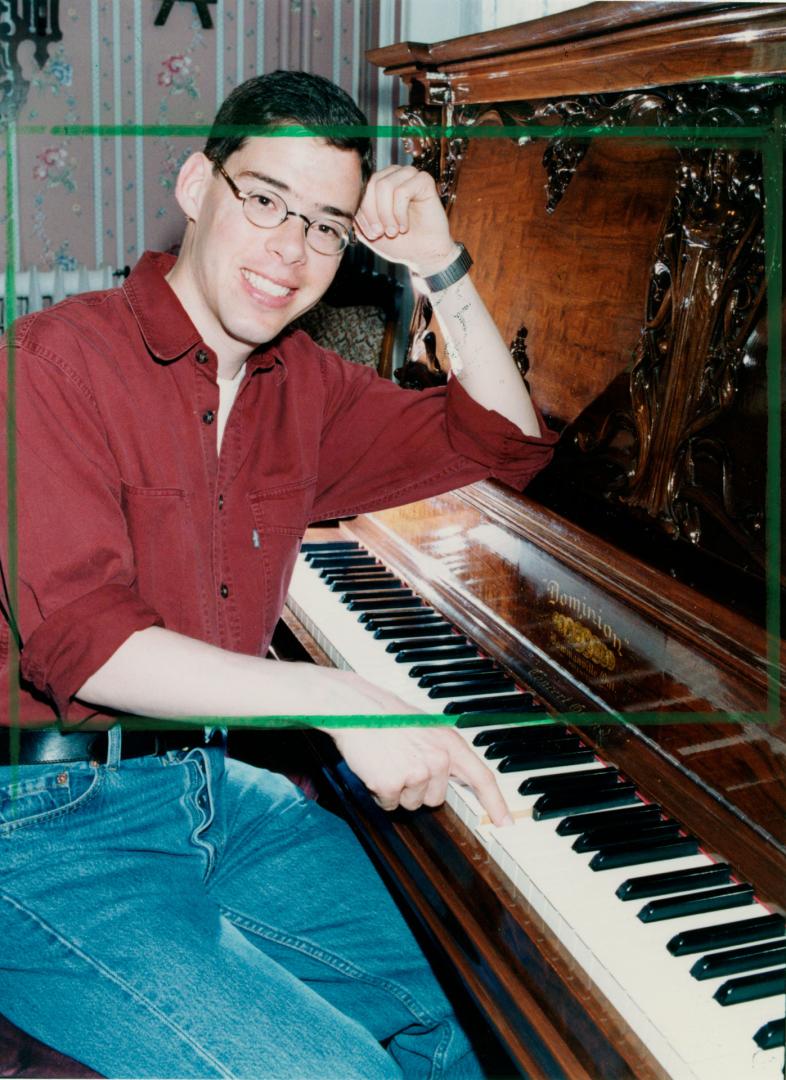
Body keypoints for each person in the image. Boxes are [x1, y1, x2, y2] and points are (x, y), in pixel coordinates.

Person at [0, 71, 557, 1078]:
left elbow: (507, 444)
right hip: (37, 827)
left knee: (493, 1011)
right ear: (195, 185)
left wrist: (441, 264)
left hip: (210, 792)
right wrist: (338, 697)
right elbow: (84, 639)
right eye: (265, 201)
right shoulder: (48, 362)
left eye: (326, 227)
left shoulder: (302, 386)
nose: (290, 252)